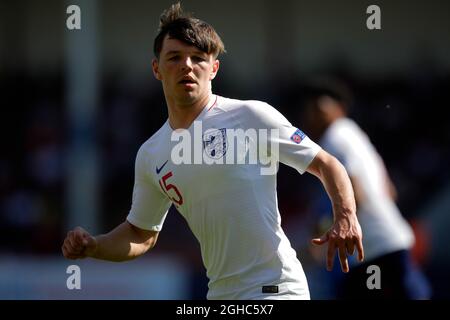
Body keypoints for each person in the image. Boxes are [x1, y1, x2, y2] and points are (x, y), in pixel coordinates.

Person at [62, 3, 364, 300]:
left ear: (214, 68)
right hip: (220, 294)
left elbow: (326, 163)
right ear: (157, 68)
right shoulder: (151, 154)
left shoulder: (251, 116)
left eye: (198, 58)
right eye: (175, 57)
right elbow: (141, 234)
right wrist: (95, 246)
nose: (187, 66)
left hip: (276, 288)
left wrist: (346, 215)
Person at [301, 78, 431, 299]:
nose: (314, 114)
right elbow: (390, 189)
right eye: (311, 109)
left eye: (319, 107)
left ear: (339, 108)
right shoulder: (354, 134)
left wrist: (323, 230)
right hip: (386, 239)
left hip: (375, 246)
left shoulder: (334, 138)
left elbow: (355, 194)